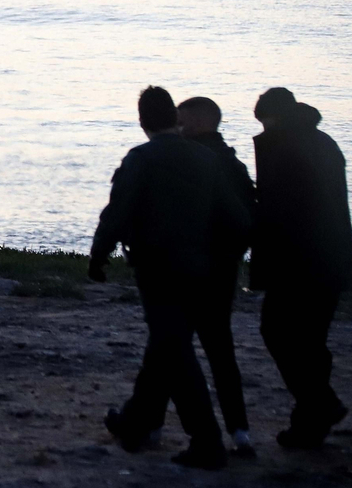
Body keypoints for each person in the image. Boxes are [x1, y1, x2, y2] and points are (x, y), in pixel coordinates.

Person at [90, 86, 248, 470]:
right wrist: (225, 259)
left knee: (174, 350)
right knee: (166, 344)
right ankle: (136, 421)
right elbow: (237, 217)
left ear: (142, 120)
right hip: (202, 269)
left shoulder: (141, 159)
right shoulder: (205, 159)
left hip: (158, 268)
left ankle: (206, 441)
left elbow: (118, 211)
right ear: (174, 119)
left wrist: (98, 255)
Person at [252, 87, 352, 449]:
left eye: (264, 121)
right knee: (312, 342)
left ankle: (320, 406)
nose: (263, 128)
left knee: (277, 331)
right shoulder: (322, 142)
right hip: (331, 259)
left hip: (298, 262)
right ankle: (310, 422)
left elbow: (281, 210)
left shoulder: (283, 147)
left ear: (274, 117)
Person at [174, 95, 257, 457]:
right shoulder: (232, 164)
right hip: (222, 270)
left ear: (203, 123)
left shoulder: (189, 161)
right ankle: (240, 432)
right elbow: (247, 218)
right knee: (220, 352)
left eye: (185, 123)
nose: (179, 129)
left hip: (190, 267)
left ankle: (150, 425)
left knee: (172, 347)